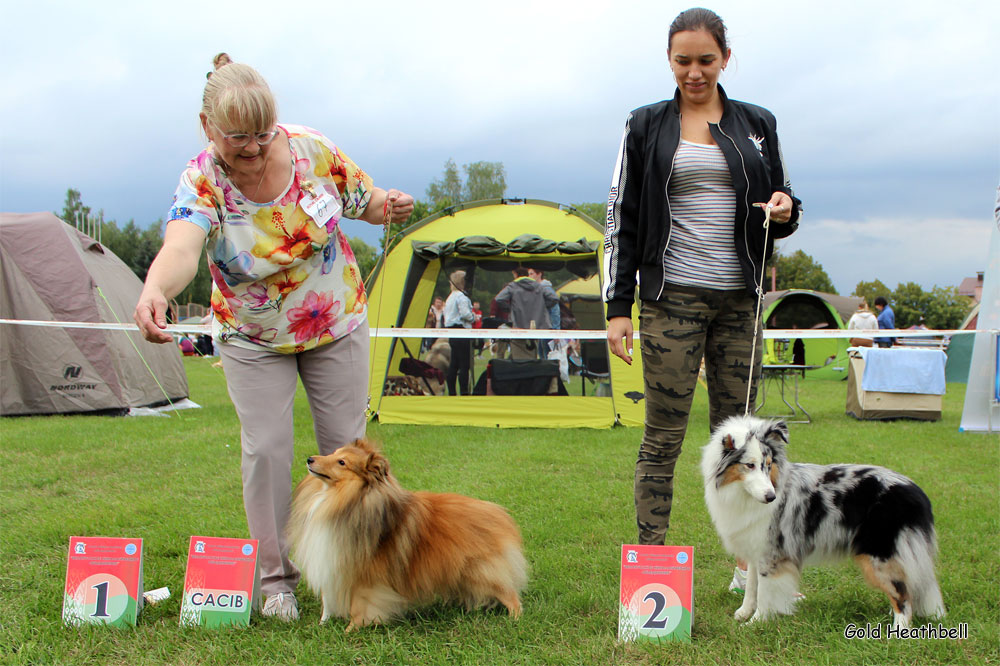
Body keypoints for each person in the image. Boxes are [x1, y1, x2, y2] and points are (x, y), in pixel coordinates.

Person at [133, 54, 413, 621]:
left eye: (264, 134)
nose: (256, 148)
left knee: (352, 454)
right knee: (267, 452)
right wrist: (156, 289)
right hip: (252, 335)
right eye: (239, 137)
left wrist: (393, 206)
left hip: (335, 321)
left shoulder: (312, 150)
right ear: (208, 127)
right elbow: (183, 248)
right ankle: (276, 582)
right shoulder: (202, 180)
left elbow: (367, 201)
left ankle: (359, 574)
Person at [604, 6, 801, 560]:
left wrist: (787, 209)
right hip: (672, 302)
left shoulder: (758, 123)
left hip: (741, 301)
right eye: (682, 60)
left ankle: (749, 564)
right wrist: (620, 306)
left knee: (744, 441)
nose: (694, 71)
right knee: (662, 439)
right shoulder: (644, 125)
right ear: (669, 60)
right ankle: (653, 562)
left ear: (726, 59)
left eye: (706, 60)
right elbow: (622, 216)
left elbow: (784, 201)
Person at [495, 267, 558, 360]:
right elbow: (554, 298)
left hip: (518, 325)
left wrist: (509, 309)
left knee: (518, 353)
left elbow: (499, 299)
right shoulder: (539, 286)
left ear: (516, 274)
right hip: (536, 326)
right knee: (534, 352)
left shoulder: (512, 286)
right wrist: (542, 307)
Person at [443, 270, 474, 395]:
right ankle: (464, 392)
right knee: (464, 365)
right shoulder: (461, 297)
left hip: (451, 332)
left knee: (454, 364)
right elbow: (465, 314)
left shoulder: (450, 296)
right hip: (461, 331)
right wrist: (473, 317)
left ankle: (451, 392)